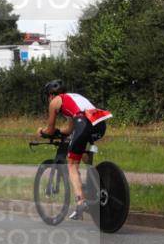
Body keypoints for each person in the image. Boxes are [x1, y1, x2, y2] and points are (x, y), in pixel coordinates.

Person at [37, 80, 112, 220]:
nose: (48, 98)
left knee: (72, 164)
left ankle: (80, 202)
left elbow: (50, 130)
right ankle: (93, 183)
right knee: (81, 150)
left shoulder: (54, 102)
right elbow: (70, 129)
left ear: (51, 94)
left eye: (48, 95)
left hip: (83, 122)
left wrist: (42, 132)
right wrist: (60, 131)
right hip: (99, 123)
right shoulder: (74, 98)